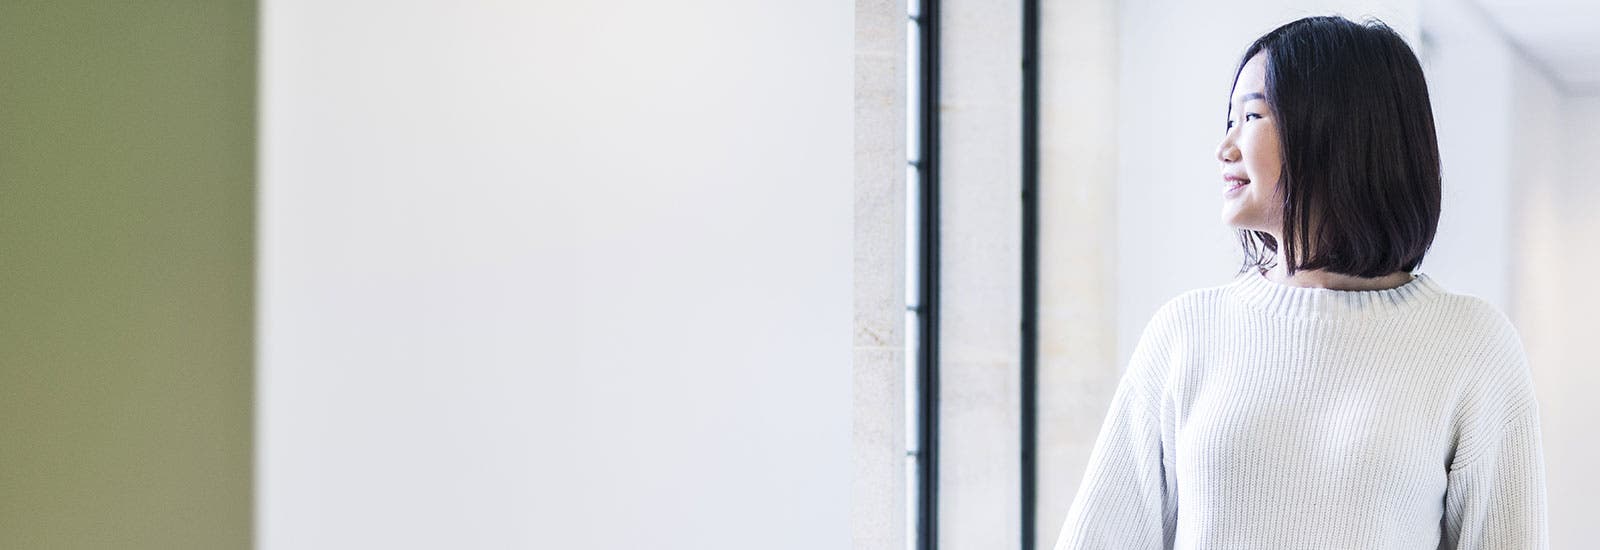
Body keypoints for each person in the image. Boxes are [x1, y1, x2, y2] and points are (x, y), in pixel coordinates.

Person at [1053, 15, 1548, 550]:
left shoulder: (1472, 344)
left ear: (1339, 131)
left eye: (1252, 116)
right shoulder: (1185, 331)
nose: (1225, 147)